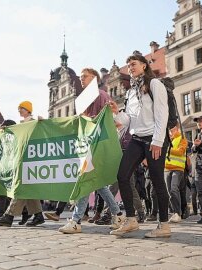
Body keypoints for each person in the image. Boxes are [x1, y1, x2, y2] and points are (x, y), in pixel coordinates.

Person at [109, 53, 170, 238]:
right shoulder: (130, 91)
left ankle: (164, 225)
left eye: (133, 64)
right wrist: (115, 113)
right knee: (122, 175)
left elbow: (162, 113)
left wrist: (158, 141)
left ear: (144, 65)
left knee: (157, 179)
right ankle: (131, 219)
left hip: (154, 138)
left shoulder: (154, 84)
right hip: (137, 138)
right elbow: (128, 120)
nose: (130, 67)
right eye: (128, 65)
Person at [58, 68, 125, 234]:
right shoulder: (84, 98)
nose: (81, 79)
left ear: (94, 78)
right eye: (80, 77)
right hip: (89, 144)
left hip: (97, 145)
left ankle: (76, 220)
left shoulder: (101, 94)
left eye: (85, 77)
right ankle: (117, 215)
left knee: (86, 179)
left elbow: (112, 120)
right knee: (99, 184)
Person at [0, 101, 45, 227]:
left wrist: (42, 121)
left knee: (20, 187)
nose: (19, 110)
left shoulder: (32, 121)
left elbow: (41, 130)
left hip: (29, 159)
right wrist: (6, 131)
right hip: (24, 158)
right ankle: (38, 216)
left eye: (21, 108)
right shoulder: (22, 124)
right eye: (19, 108)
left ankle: (8, 216)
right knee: (29, 189)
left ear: (28, 109)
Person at [164, 123, 187, 223]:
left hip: (178, 169)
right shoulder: (168, 140)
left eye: (172, 129)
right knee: (169, 192)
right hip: (166, 169)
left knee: (174, 189)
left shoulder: (182, 139)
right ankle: (175, 212)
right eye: (169, 129)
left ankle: (178, 213)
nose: (170, 131)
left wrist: (168, 149)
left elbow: (180, 152)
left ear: (177, 128)